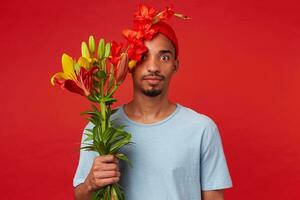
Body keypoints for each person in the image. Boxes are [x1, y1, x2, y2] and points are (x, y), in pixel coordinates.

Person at [73, 6, 233, 200]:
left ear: (175, 65)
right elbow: (80, 197)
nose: (153, 67)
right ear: (128, 65)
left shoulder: (201, 129)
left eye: (164, 57)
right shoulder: (100, 127)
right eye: (142, 56)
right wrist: (90, 183)